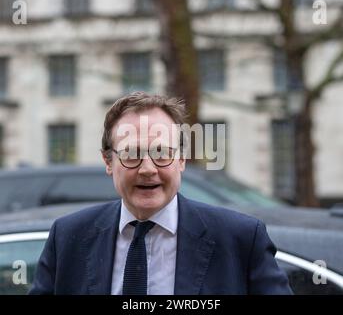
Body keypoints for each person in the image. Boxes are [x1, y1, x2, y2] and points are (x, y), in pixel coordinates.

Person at [30, 91, 292, 295]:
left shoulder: (240, 239)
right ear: (108, 162)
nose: (147, 169)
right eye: (132, 154)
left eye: (161, 153)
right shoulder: (68, 237)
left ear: (181, 160)